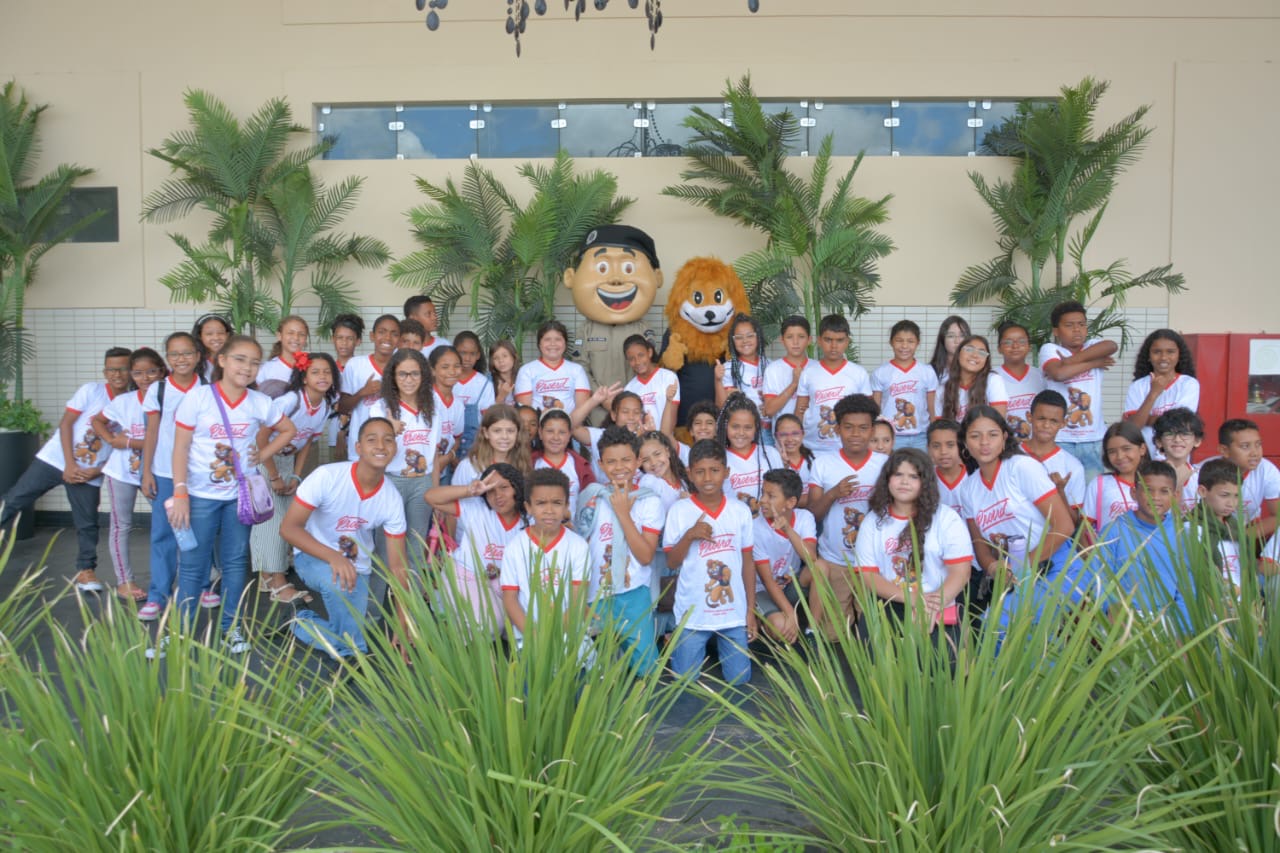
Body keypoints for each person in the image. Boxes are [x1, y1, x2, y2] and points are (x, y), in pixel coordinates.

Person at [168, 334, 298, 653]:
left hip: (239, 497)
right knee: (193, 563)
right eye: (240, 359)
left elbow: (289, 430)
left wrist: (263, 454)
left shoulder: (259, 402)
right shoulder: (198, 398)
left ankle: (231, 628)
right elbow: (180, 447)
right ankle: (180, 631)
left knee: (236, 561)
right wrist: (180, 492)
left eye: (254, 362)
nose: (247, 367)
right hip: (200, 496)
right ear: (222, 360)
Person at [281, 417, 413, 659]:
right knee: (352, 637)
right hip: (312, 557)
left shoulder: (391, 498)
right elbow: (289, 529)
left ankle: (298, 621)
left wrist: (404, 625)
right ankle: (351, 652)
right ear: (358, 447)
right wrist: (334, 557)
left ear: (395, 448)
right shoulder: (327, 476)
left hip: (357, 567)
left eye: (388, 440)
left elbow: (398, 567)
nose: (381, 446)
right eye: (372, 440)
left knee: (349, 635)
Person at [1, 347, 130, 592]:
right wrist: (70, 464)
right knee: (14, 500)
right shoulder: (91, 391)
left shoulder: (133, 402)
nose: (118, 374)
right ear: (105, 372)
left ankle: (85, 571)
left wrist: (99, 470)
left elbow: (125, 446)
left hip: (89, 473)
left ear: (131, 371)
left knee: (87, 523)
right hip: (55, 460)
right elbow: (66, 423)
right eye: (112, 369)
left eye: (124, 368)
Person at [957, 406, 1078, 630]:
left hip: (1055, 565)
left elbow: (1064, 526)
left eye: (992, 435)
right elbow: (979, 544)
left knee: (1003, 628)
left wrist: (1021, 565)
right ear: (965, 443)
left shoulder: (1022, 467)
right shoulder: (968, 489)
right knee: (994, 630)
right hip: (1016, 575)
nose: (984, 442)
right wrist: (993, 567)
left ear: (1004, 437)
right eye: (975, 436)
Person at [662, 439, 760, 687]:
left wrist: (750, 611)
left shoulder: (740, 511)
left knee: (740, 679)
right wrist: (689, 535)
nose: (707, 478)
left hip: (733, 614)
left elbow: (748, 563)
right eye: (700, 471)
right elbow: (671, 562)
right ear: (689, 473)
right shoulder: (680, 511)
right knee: (684, 682)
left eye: (715, 470)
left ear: (726, 472)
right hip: (692, 614)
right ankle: (679, 647)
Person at [854, 448, 973, 636]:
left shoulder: (946, 518)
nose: (904, 482)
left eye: (913, 476)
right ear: (887, 479)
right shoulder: (873, 521)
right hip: (890, 603)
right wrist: (913, 599)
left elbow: (961, 572)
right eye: (898, 474)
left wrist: (933, 606)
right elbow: (868, 576)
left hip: (939, 603)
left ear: (925, 482)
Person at [252, 351, 338, 604]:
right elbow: (260, 437)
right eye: (315, 372)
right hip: (264, 459)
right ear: (304, 377)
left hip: (287, 462)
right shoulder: (291, 401)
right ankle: (277, 582)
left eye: (327, 372)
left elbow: (308, 442)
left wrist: (296, 477)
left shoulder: (324, 405)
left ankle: (267, 577)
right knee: (272, 520)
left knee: (286, 517)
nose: (322, 376)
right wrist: (274, 476)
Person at [577, 427, 663, 675]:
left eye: (626, 460)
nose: (619, 467)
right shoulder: (592, 498)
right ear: (601, 464)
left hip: (633, 594)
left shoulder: (649, 500)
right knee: (594, 668)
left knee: (646, 668)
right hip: (594, 595)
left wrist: (623, 514)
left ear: (638, 461)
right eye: (611, 461)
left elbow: (645, 557)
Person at [806, 394, 887, 639]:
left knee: (873, 632)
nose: (855, 434)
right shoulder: (822, 463)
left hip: (873, 561)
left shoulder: (885, 464)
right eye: (848, 427)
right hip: (835, 560)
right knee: (833, 636)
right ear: (837, 428)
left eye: (863, 428)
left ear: (872, 430)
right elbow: (813, 514)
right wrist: (833, 494)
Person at [139, 332, 209, 619]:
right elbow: (151, 433)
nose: (181, 359)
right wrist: (146, 472)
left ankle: (202, 587)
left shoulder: (208, 388)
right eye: (174, 354)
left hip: (200, 474)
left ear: (198, 356)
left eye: (187, 353)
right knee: (164, 534)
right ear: (167, 358)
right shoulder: (158, 390)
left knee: (200, 533)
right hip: (165, 473)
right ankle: (158, 595)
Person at [90, 347, 166, 602]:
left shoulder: (170, 400)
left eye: (151, 372)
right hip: (122, 472)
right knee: (120, 526)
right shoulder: (124, 401)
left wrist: (131, 442)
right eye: (138, 373)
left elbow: (165, 442)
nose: (145, 378)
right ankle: (125, 581)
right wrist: (112, 439)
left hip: (156, 472)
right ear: (132, 375)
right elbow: (97, 421)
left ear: (162, 371)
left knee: (170, 523)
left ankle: (180, 578)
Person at [426, 463, 529, 635]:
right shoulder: (475, 508)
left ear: (517, 488)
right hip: (466, 575)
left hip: (502, 582)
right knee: (490, 623)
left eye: (504, 487)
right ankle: (451, 626)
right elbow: (431, 497)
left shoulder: (529, 517)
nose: (498, 495)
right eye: (490, 490)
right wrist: (469, 490)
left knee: (516, 625)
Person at [368, 348, 440, 576]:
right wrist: (388, 431)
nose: (409, 380)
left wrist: (435, 491)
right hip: (391, 481)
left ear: (423, 375)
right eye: (402, 374)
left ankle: (412, 596)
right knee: (385, 545)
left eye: (415, 373)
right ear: (393, 376)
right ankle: (378, 599)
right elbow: (374, 456)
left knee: (416, 545)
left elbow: (434, 453)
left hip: (422, 482)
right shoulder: (381, 408)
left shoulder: (433, 405)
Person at [500, 468, 591, 646]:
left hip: (568, 635)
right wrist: (534, 636)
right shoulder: (515, 547)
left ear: (566, 506)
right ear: (528, 507)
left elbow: (577, 599)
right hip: (528, 637)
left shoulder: (578, 546)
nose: (549, 510)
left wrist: (553, 636)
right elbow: (510, 599)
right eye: (541, 503)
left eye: (557, 503)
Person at [1094, 459, 1188, 626]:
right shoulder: (1113, 531)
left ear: (1176, 496)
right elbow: (1100, 578)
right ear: (1134, 492)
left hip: (1170, 619)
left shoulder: (1182, 534)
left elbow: (1187, 587)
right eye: (1148, 490)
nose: (1155, 497)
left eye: (1164, 491)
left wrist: (1184, 629)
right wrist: (1112, 610)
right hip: (1124, 618)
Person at [1038, 301, 1118, 481]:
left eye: (1081, 324)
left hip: (1093, 440)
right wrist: (1094, 363)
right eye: (1069, 325)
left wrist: (1069, 361)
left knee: (1092, 490)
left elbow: (1112, 345)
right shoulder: (1050, 349)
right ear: (1056, 331)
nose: (1077, 330)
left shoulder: (1092, 345)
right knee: (1062, 490)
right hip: (1061, 438)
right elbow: (1059, 374)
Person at [752, 469, 817, 645]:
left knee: (821, 568)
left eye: (771, 496)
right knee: (781, 627)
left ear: (791, 502)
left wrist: (788, 529)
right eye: (762, 493)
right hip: (764, 590)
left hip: (789, 585)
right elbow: (767, 581)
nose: (762, 500)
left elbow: (811, 559)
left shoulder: (805, 517)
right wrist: (790, 614)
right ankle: (763, 619)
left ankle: (813, 631)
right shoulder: (755, 528)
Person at [794, 314, 872, 454]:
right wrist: (796, 439)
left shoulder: (859, 373)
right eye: (828, 340)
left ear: (847, 341)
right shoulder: (808, 373)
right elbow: (800, 411)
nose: (834, 346)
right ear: (819, 341)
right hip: (812, 445)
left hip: (846, 447)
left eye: (840, 340)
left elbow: (868, 414)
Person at [1124, 329, 1200, 458]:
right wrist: (1153, 393)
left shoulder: (1189, 384)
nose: (1164, 357)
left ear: (1179, 355)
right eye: (1157, 352)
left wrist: (1146, 418)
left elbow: (1178, 423)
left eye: (1170, 352)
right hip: (1144, 456)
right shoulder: (1138, 386)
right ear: (1148, 356)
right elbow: (1134, 426)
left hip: (1175, 457)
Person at [1020, 390, 1086, 527]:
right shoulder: (1010, 455)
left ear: (1063, 423)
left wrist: (1060, 492)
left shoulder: (1073, 467)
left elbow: (1075, 523)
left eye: (1054, 421)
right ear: (1029, 417)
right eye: (1041, 418)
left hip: (1053, 538)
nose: (1046, 425)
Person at [871, 319, 937, 451]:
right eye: (899, 340)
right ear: (891, 342)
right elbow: (876, 410)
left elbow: (932, 409)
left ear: (918, 343)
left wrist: (934, 433)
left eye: (910, 341)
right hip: (891, 437)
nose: (904, 346)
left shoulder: (927, 372)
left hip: (921, 436)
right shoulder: (880, 373)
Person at [339, 314, 399, 457]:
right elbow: (343, 407)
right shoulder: (355, 365)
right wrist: (362, 392)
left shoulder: (403, 366)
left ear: (399, 339)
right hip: (361, 444)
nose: (387, 337)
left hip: (395, 444)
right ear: (372, 336)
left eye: (394, 334)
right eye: (382, 332)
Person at [718, 392, 783, 519]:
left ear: (756, 428)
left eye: (748, 427)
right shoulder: (719, 459)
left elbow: (782, 492)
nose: (741, 433)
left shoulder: (770, 454)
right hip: (737, 526)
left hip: (770, 526)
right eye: (735, 427)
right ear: (726, 427)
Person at [1187, 457, 1246, 594]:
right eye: (1224, 495)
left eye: (1236, 496)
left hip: (1244, 601)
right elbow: (1199, 576)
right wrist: (1234, 591)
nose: (1231, 503)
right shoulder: (1191, 528)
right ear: (1202, 491)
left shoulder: (1235, 527)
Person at [1217, 417, 1279, 542]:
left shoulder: (1266, 470)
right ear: (1224, 450)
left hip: (1250, 529)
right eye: (1245, 446)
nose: (1255, 453)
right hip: (1216, 530)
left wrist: (1242, 537)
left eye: (1258, 445)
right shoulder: (1206, 472)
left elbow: (1277, 516)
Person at [514, 319, 591, 416]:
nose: (553, 344)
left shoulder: (577, 370)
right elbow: (525, 413)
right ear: (539, 344)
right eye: (547, 339)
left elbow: (582, 409)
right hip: (537, 424)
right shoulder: (527, 370)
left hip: (571, 423)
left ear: (565, 343)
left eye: (558, 339)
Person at [570, 387, 646, 483]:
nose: (631, 417)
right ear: (614, 415)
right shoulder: (599, 436)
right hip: (604, 492)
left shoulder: (646, 439)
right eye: (625, 412)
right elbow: (571, 427)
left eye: (636, 412)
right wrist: (594, 401)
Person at [1084, 421, 1150, 532]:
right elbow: (1085, 529)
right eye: (1112, 452)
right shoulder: (1099, 484)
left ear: (1142, 449)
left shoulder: (1155, 483)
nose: (1120, 456)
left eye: (1126, 449)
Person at [452, 405, 532, 491]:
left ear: (518, 433)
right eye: (497, 431)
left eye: (510, 431)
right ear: (486, 433)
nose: (504, 436)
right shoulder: (469, 466)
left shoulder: (522, 464)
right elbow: (456, 498)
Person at [716, 314, 770, 441]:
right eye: (739, 337)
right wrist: (717, 380)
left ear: (758, 337)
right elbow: (721, 405)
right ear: (732, 341)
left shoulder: (770, 365)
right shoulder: (728, 368)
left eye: (750, 335)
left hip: (769, 430)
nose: (745, 341)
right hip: (742, 432)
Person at [533, 408, 593, 515]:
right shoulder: (529, 463)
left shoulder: (580, 466)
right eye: (550, 431)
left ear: (569, 435)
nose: (556, 437)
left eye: (562, 432)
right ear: (540, 433)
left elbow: (590, 502)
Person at [935, 334, 1007, 422]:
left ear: (986, 360)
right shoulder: (942, 389)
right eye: (969, 349)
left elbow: (998, 423)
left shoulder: (993, 380)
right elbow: (939, 426)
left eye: (982, 353)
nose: (975, 355)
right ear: (958, 354)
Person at [996, 321, 1044, 442]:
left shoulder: (1040, 376)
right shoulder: (991, 378)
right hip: (1006, 446)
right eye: (1008, 342)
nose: (1015, 346)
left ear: (1029, 346)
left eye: (1022, 341)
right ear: (999, 348)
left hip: (1036, 446)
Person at [622, 334, 679, 436]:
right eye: (631, 359)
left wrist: (661, 442)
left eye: (641, 355)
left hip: (665, 441)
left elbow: (672, 419)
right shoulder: (629, 389)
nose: (637, 362)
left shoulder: (668, 377)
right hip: (640, 442)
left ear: (649, 352)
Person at [327, 313, 364, 463]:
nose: (344, 343)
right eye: (340, 338)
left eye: (349, 338)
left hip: (361, 433)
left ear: (358, 341)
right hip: (334, 435)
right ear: (333, 339)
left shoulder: (363, 369)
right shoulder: (326, 370)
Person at [452, 330, 495, 458]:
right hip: (448, 445)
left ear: (478, 355)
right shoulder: (447, 379)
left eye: (472, 354)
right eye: (463, 353)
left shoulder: (484, 383)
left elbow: (488, 419)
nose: (467, 358)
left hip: (475, 447)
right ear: (454, 352)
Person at [1153, 407, 1204, 514]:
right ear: (1159, 441)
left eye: (1185, 434)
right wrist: (1178, 483)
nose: (1177, 439)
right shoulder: (1150, 475)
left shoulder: (1201, 476)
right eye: (1169, 434)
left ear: (1197, 441)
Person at [761, 315, 810, 423]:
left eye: (801, 336)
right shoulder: (773, 370)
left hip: (812, 433)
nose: (795, 342)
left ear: (809, 340)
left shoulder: (816, 367)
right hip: (782, 432)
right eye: (789, 337)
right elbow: (769, 410)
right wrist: (794, 384)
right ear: (782, 340)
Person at [429, 345, 466, 484]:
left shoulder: (458, 404)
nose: (452, 371)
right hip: (422, 472)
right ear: (433, 370)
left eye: (457, 366)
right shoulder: (426, 399)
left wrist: (449, 457)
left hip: (444, 470)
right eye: (445, 367)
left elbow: (457, 438)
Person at [255, 315, 309, 397]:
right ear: (279, 336)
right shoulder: (266, 369)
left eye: (301, 334)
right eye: (290, 333)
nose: (296, 337)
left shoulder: (312, 365)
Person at [772, 413, 815, 508]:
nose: (790, 439)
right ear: (776, 436)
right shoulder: (771, 462)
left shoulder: (814, 459)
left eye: (795, 433)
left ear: (803, 434)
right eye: (783, 434)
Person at [927, 418, 967, 517]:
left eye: (950, 445)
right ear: (928, 448)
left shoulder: (972, 476)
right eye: (936, 446)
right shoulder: (925, 479)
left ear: (961, 446)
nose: (943, 451)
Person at [928, 315, 970, 383]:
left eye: (962, 335)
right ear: (942, 339)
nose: (957, 341)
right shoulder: (930, 371)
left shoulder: (974, 369)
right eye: (951, 336)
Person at [192, 313, 232, 383]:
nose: (216, 338)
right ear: (200, 336)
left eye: (220, 333)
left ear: (227, 335)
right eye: (209, 334)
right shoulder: (194, 361)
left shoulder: (235, 359)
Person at [489, 339, 520, 409]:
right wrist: (501, 396)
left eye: (505, 356)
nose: (501, 361)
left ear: (514, 357)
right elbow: (488, 413)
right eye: (496, 358)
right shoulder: (488, 381)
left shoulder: (524, 377)